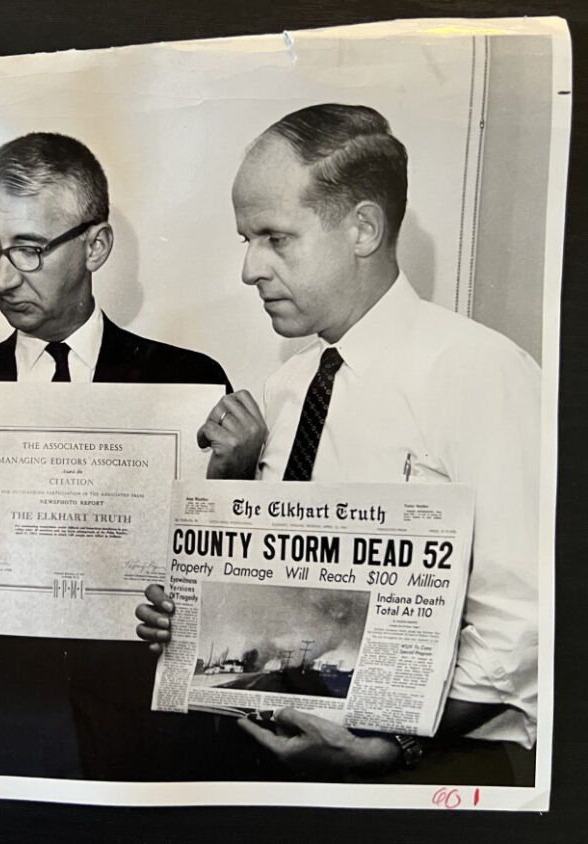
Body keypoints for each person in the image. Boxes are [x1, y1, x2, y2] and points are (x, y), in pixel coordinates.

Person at [136, 104, 540, 784]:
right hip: (282, 759)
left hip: (438, 770)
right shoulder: (287, 387)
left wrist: (391, 745)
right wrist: (193, 617)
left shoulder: (479, 371)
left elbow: (520, 623)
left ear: (362, 229)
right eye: (246, 238)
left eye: (273, 237)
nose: (248, 269)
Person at [0, 132, 231, 779]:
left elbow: (225, 613)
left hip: (147, 754)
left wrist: (237, 482)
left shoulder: (189, 386)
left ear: (96, 245)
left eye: (30, 250)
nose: (4, 278)